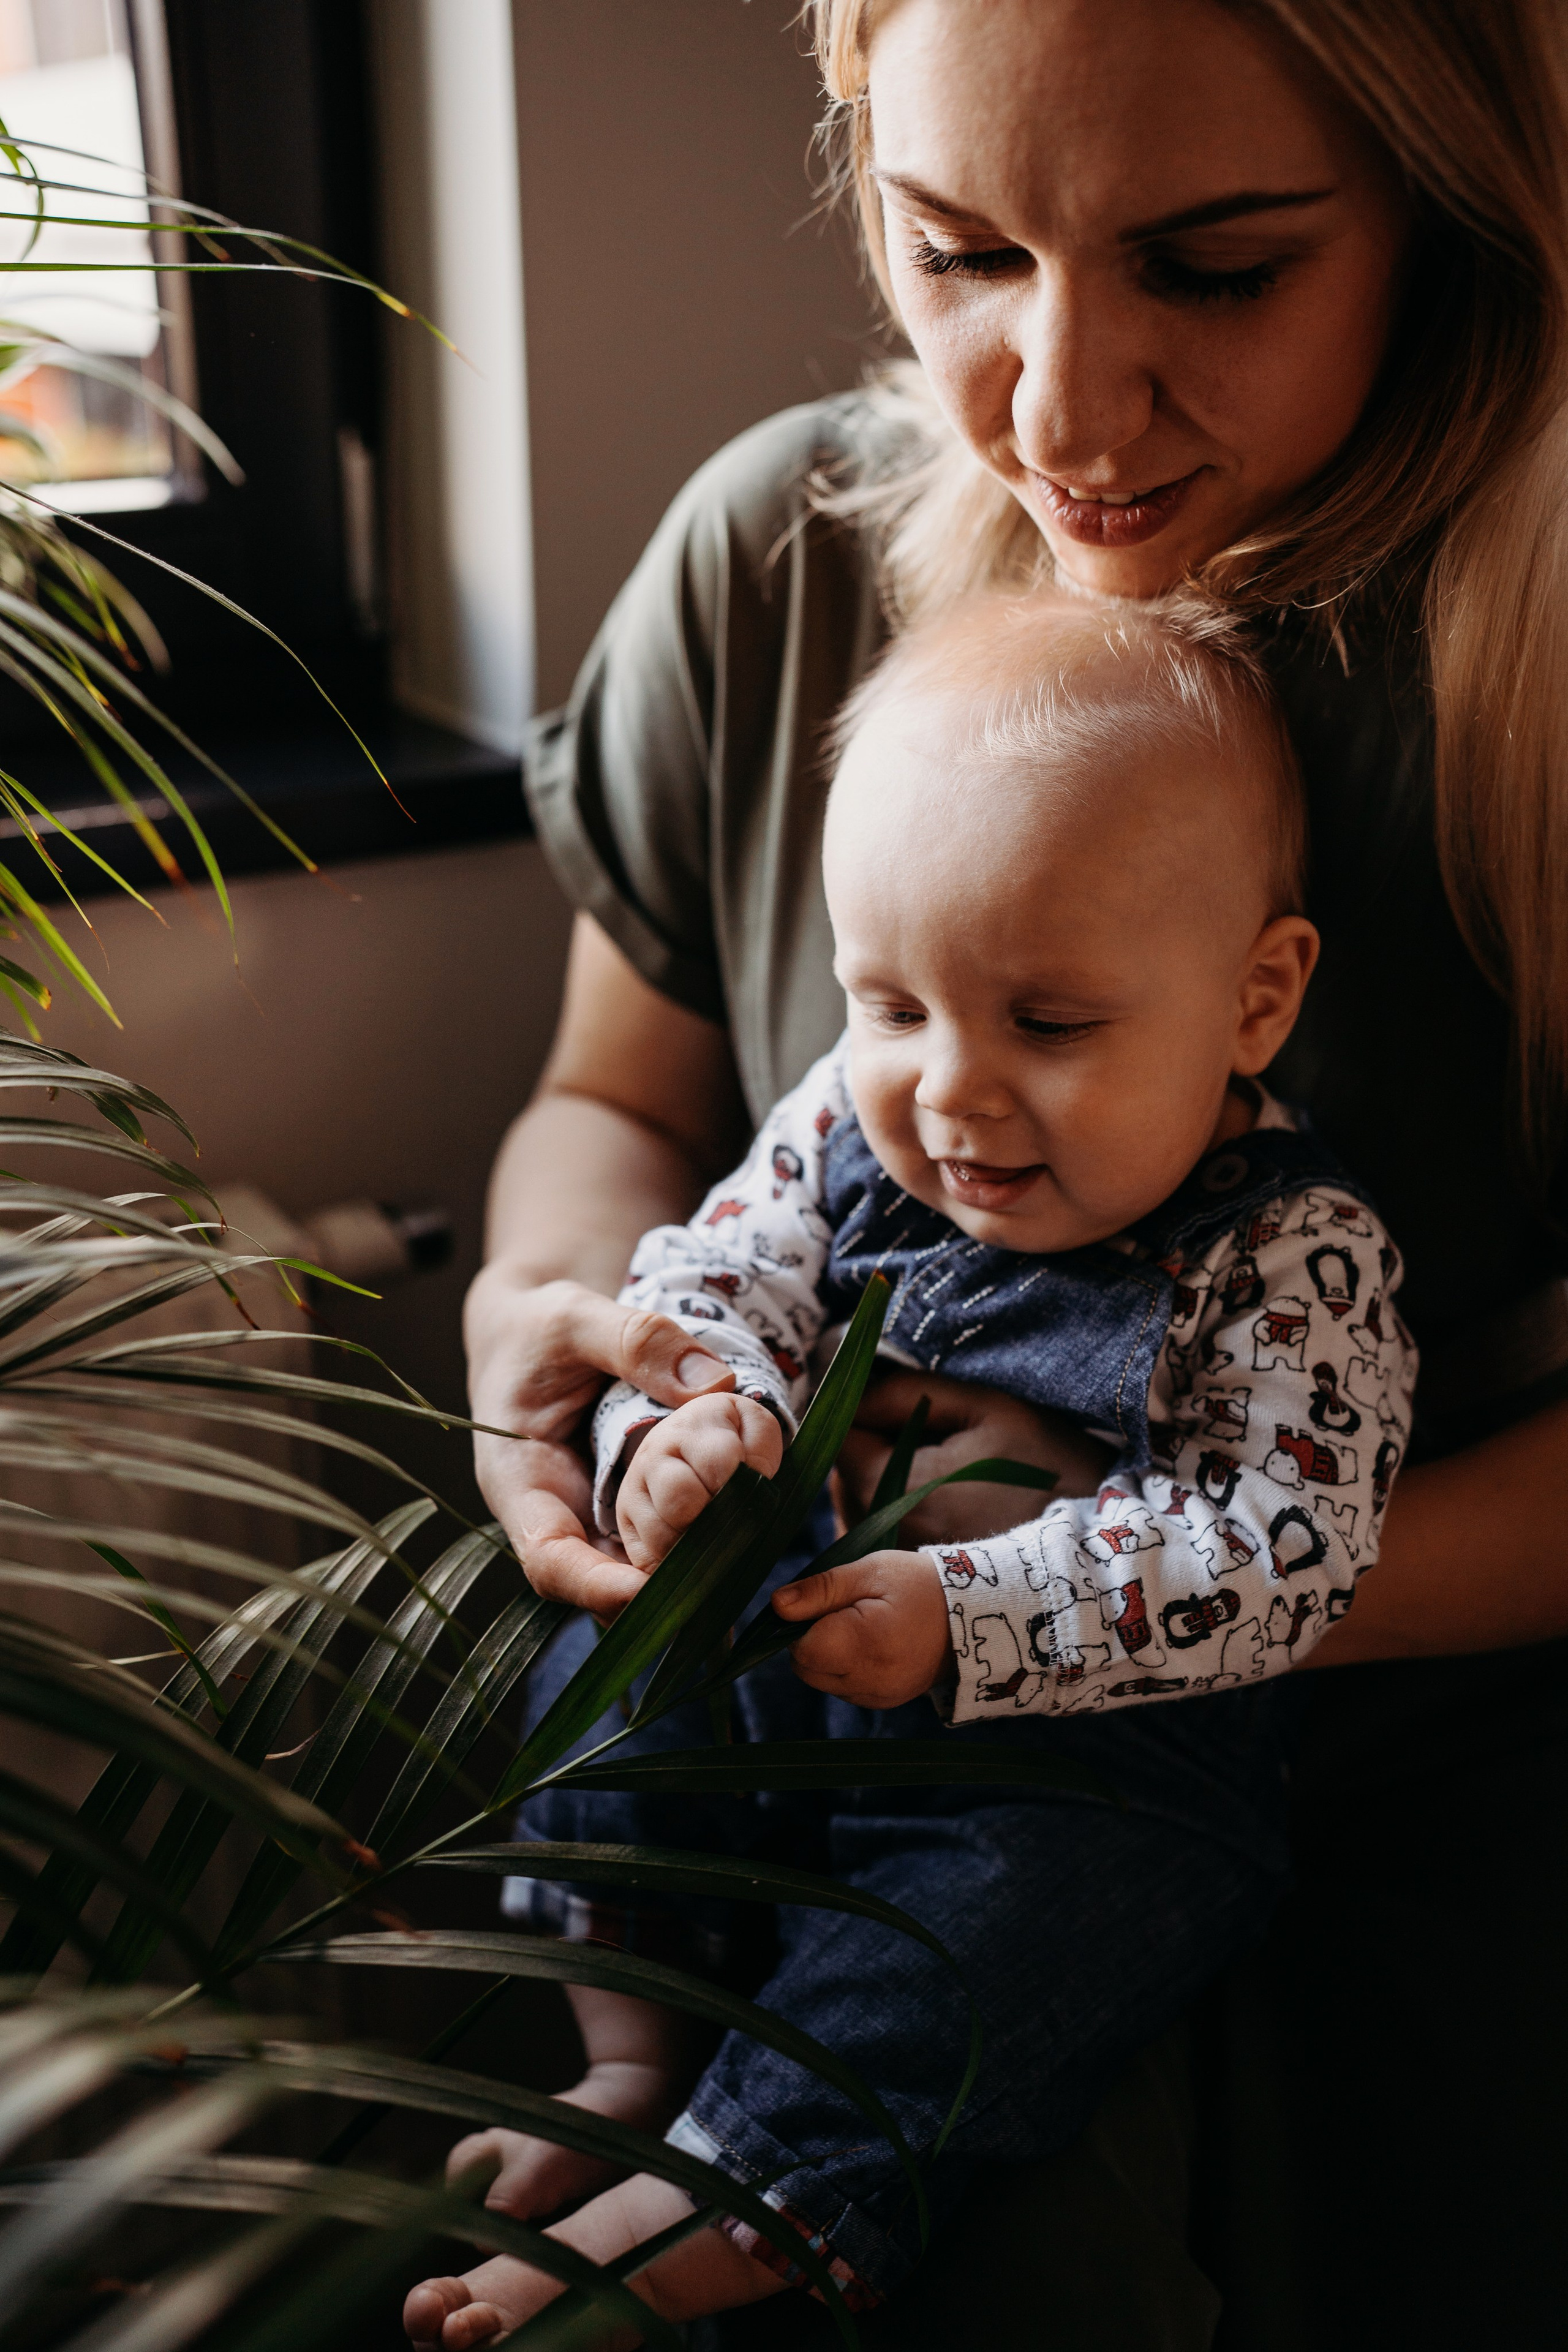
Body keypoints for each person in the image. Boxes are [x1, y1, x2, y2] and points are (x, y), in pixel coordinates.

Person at [442, 2, 1568, 2343]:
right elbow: (610, 1107)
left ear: (1452, 201)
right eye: (960, 251)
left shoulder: (1531, 692)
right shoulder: (777, 555)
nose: (1059, 411)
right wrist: (552, 1331)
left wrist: (1061, 1587)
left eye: (1219, 269)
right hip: (793, 1670)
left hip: (1365, 1769)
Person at [405, 590, 1419, 2348]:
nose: (950, 1096)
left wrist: (975, 1610)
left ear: (1256, 999)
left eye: (1049, 1024)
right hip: (806, 1648)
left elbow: (1288, 1540)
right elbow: (719, 1269)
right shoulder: (847, 1118)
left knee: (1004, 1943)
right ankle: (629, 2050)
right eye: (892, 1004)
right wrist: (684, 1424)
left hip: (1085, 1763)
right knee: (620, 1655)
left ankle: (735, 2196)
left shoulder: (1298, 1261)